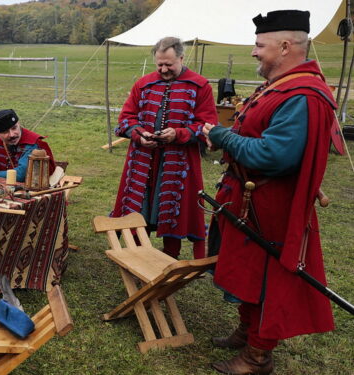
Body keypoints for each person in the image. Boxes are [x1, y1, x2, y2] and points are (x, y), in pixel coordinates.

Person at [202, 10, 335, 374]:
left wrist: (222, 135)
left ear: (285, 46)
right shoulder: (280, 87)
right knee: (248, 273)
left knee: (267, 280)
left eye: (260, 45)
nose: (254, 52)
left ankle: (257, 356)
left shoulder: (302, 95)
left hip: (273, 208)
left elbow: (275, 156)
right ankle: (247, 332)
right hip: (250, 201)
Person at [110, 37, 217, 259]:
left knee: (172, 208)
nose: (164, 69)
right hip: (143, 158)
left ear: (181, 58)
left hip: (179, 162)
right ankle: (138, 254)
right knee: (141, 204)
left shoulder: (200, 85)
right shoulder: (143, 83)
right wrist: (139, 136)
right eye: (159, 64)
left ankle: (170, 256)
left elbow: (207, 125)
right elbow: (126, 118)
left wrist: (178, 134)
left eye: (169, 64)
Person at [0, 109, 56, 181]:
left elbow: (21, 174)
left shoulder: (32, 143)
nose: (11, 134)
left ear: (19, 124)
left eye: (14, 128)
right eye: (5, 132)